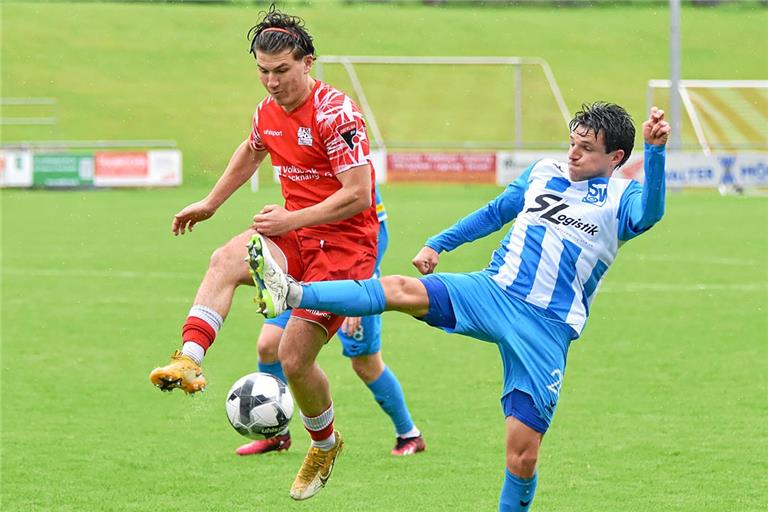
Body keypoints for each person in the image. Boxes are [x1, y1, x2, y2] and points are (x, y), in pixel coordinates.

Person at [247, 103, 670, 511]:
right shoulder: (544, 172)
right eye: (572, 142)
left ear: (615, 156)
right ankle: (294, 292)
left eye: (586, 148)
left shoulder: (621, 197)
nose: (573, 153)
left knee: (522, 456)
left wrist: (654, 153)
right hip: (493, 290)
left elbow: (651, 213)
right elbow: (494, 213)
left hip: (546, 327)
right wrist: (438, 243)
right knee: (400, 290)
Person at [150, 5, 387, 501]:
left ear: (308, 63)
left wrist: (289, 218)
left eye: (282, 71)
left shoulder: (335, 113)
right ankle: (189, 359)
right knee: (223, 259)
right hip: (294, 234)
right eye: (263, 70)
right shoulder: (267, 109)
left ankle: (323, 444)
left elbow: (359, 194)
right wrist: (211, 203)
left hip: (344, 247)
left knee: (293, 356)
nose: (272, 82)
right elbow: (253, 147)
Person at [236, 189, 426, 457]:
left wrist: (358, 294)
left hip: (349, 279)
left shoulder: (353, 170)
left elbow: (377, 236)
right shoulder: (302, 161)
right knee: (268, 346)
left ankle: (409, 434)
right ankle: (277, 434)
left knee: (366, 365)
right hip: (304, 277)